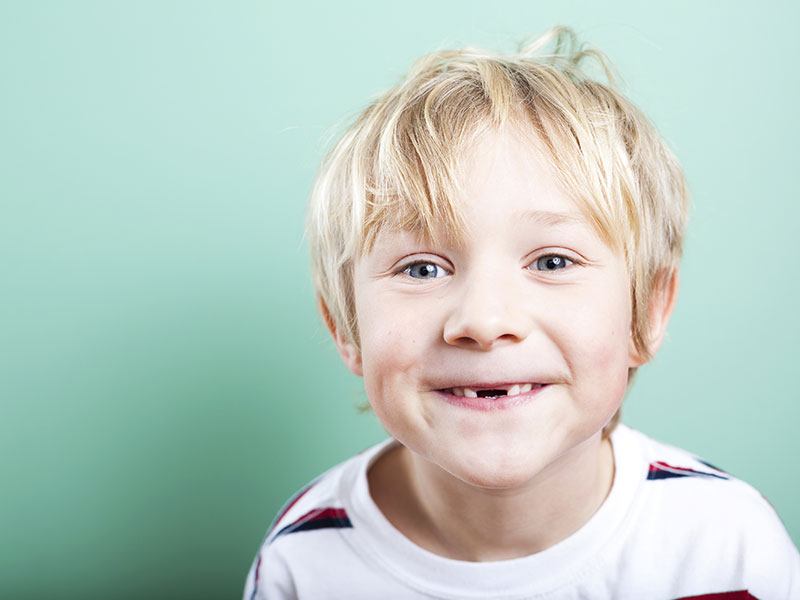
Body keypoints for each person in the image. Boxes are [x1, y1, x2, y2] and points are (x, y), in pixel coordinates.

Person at [245, 27, 800, 599]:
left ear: (649, 309)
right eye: (422, 269)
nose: (484, 322)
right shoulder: (302, 564)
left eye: (553, 261)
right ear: (346, 326)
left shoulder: (729, 549)